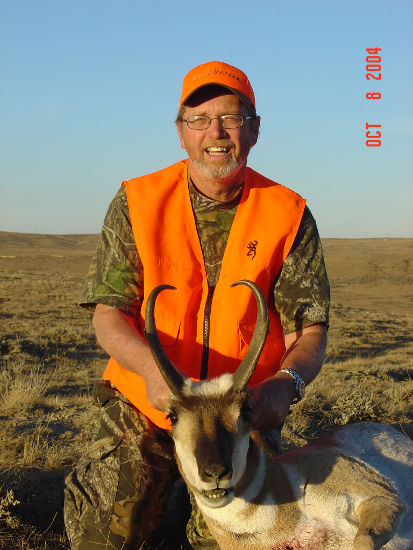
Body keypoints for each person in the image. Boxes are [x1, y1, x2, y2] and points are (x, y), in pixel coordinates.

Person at [64, 60, 330, 550]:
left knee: (240, 539)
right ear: (181, 132)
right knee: (107, 535)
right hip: (151, 403)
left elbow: (309, 331)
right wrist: (150, 372)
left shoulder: (288, 214)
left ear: (254, 130)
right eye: (200, 119)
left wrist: (286, 384)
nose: (216, 132)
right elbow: (109, 315)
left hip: (240, 416)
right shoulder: (137, 201)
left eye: (231, 118)